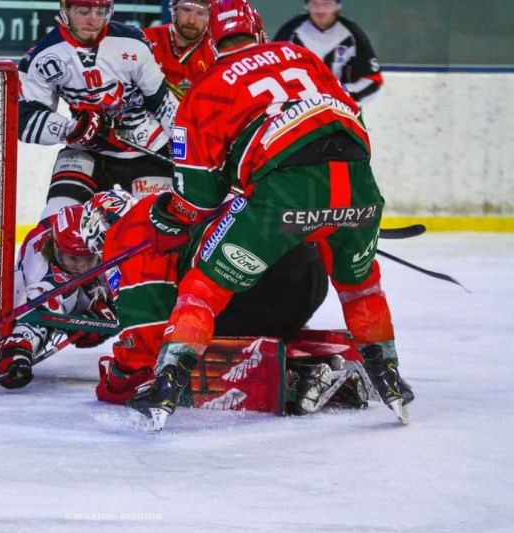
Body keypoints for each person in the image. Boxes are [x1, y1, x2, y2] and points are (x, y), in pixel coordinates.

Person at [129, 0, 413, 430]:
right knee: (360, 282)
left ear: (212, 39)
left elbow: (199, 201)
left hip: (283, 194)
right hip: (359, 183)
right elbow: (352, 118)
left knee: (204, 287)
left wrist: (168, 215)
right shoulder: (301, 55)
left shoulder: (206, 87)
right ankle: (390, 378)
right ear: (260, 32)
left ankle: (166, 384)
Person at [79, 189, 329, 405]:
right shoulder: (172, 205)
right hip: (308, 273)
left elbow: (145, 328)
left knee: (186, 340)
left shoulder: (126, 231)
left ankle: (284, 380)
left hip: (256, 285)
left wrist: (117, 381)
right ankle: (311, 368)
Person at [17, 0, 179, 218]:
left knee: (159, 227)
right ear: (65, 11)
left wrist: (189, 149)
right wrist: (73, 129)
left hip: (147, 148)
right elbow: (24, 119)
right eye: (83, 11)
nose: (93, 20)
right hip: (87, 151)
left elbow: (162, 104)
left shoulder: (133, 43)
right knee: (56, 218)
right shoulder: (43, 56)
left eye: (101, 12)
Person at [0, 204, 115, 389]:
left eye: (89, 259)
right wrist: (17, 353)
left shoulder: (103, 241)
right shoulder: (42, 275)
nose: (82, 267)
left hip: (58, 225)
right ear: (57, 250)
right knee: (79, 319)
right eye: (74, 259)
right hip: (48, 277)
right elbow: (35, 320)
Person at [273, 0, 383, 107]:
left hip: (343, 113)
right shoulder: (290, 32)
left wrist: (339, 96)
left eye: (327, 3)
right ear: (307, 5)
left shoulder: (352, 34)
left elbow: (373, 80)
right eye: (314, 4)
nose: (320, 10)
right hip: (297, 115)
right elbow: (270, 73)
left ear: (337, 5)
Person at [142, 0, 217, 99]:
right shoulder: (144, 40)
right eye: (186, 10)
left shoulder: (218, 50)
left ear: (211, 17)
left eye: (201, 13)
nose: (191, 20)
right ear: (174, 10)